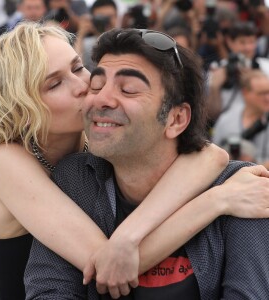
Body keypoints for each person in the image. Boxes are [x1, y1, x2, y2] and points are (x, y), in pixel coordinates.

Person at [0, 21, 235, 300]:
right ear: (20, 107)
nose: (83, 86)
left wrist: (129, 235)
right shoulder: (6, 160)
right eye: (55, 84)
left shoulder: (96, 141)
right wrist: (215, 203)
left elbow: (211, 156)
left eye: (77, 67)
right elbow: (107, 265)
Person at [25, 28, 269, 299]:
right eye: (96, 85)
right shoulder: (76, 180)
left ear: (176, 119)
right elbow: (49, 292)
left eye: (128, 89)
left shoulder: (243, 190)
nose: (101, 99)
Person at [213, 69, 269, 168]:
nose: (267, 98)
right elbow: (213, 156)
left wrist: (253, 166)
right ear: (245, 93)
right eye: (261, 93)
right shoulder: (226, 120)